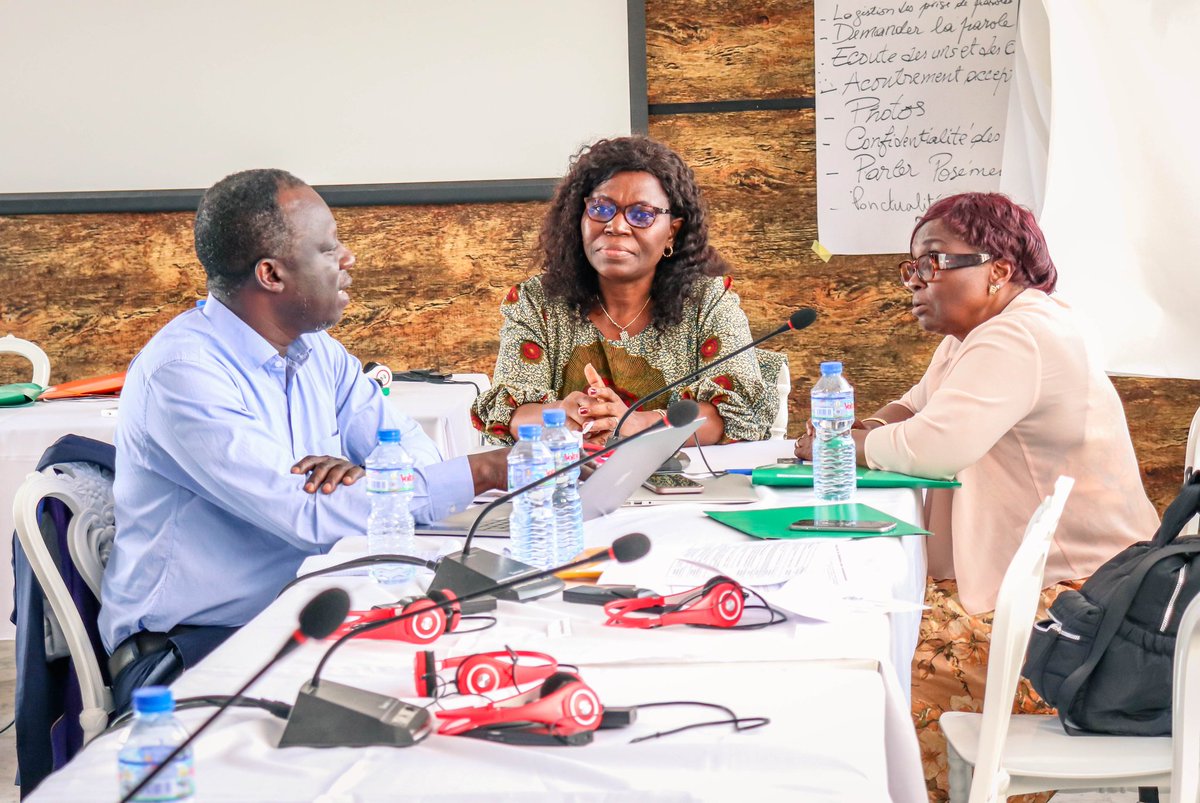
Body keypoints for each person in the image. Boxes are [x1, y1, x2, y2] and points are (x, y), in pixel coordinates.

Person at [794, 192, 1159, 802]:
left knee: (882, 668)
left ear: (999, 269)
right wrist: (850, 430)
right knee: (866, 625)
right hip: (1052, 589)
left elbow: (931, 445)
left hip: (1078, 611)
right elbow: (913, 408)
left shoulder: (1021, 334)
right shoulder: (978, 335)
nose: (916, 281)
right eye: (912, 266)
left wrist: (837, 446)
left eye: (934, 262)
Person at [99, 169, 508, 710]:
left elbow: (416, 453)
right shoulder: (182, 374)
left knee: (472, 663)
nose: (348, 259)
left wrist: (372, 475)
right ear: (271, 274)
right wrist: (482, 471)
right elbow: (306, 516)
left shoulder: (321, 354)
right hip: (192, 649)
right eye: (329, 247)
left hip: (295, 616)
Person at [471, 136, 782, 447]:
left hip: (687, 489)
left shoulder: (708, 301)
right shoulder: (536, 302)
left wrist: (636, 424)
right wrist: (560, 414)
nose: (616, 226)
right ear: (579, 219)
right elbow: (509, 413)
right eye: (601, 208)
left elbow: (732, 415)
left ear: (671, 232)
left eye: (641, 214)